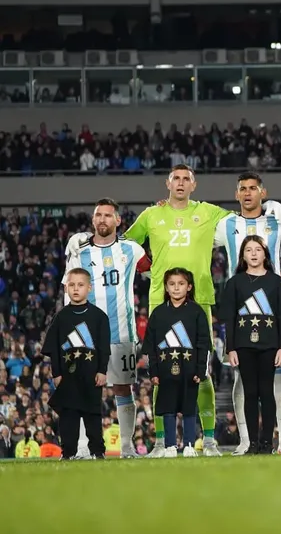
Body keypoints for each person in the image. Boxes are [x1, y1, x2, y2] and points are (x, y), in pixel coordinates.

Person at [65, 165, 231, 456]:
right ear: (167, 183)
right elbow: (121, 243)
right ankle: (160, 442)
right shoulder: (151, 215)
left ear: (194, 185)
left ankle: (210, 440)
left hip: (200, 298)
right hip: (160, 302)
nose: (180, 183)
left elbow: (240, 224)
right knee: (161, 372)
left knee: (202, 372)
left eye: (185, 179)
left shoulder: (209, 212)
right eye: (175, 178)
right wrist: (83, 241)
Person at [214, 172, 281, 455]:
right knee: (243, 381)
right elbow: (196, 240)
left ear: (262, 192)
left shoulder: (277, 216)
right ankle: (246, 442)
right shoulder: (226, 224)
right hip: (240, 310)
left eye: (253, 188)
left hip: (273, 307)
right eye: (243, 189)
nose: (248, 193)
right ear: (236, 194)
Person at [62, 198, 147, 458]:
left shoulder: (132, 250)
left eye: (108, 215)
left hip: (121, 332)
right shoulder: (79, 249)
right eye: (98, 215)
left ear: (118, 220)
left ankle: (126, 446)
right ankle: (82, 448)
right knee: (83, 389)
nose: (102, 219)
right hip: (85, 336)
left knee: (123, 388)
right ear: (92, 220)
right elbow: (69, 290)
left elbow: (155, 274)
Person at [221, 236, 281, 455]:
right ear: (242, 255)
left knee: (267, 392)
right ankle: (252, 443)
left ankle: (267, 443)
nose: (253, 254)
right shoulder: (234, 283)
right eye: (249, 250)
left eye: (258, 249)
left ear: (265, 254)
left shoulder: (276, 282)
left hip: (270, 344)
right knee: (250, 393)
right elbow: (229, 318)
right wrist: (230, 348)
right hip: (243, 345)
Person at [43, 268, 111, 460]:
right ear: (66, 288)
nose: (75, 289)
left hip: (91, 375)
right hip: (67, 377)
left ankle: (98, 452)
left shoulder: (99, 317)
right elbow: (54, 348)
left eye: (80, 285)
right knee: (68, 417)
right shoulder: (60, 318)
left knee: (93, 416)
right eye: (71, 285)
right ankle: (68, 453)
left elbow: (104, 347)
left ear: (89, 288)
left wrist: (102, 370)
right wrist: (56, 373)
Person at [143, 268, 211, 458]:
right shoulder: (158, 313)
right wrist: (153, 372)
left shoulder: (196, 312)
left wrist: (200, 369)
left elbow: (202, 342)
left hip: (190, 371)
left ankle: (189, 444)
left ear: (189, 287)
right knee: (168, 408)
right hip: (165, 371)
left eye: (181, 284)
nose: (176, 288)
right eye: (172, 284)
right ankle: (170, 445)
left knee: (189, 407)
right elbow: (152, 346)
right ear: (166, 286)